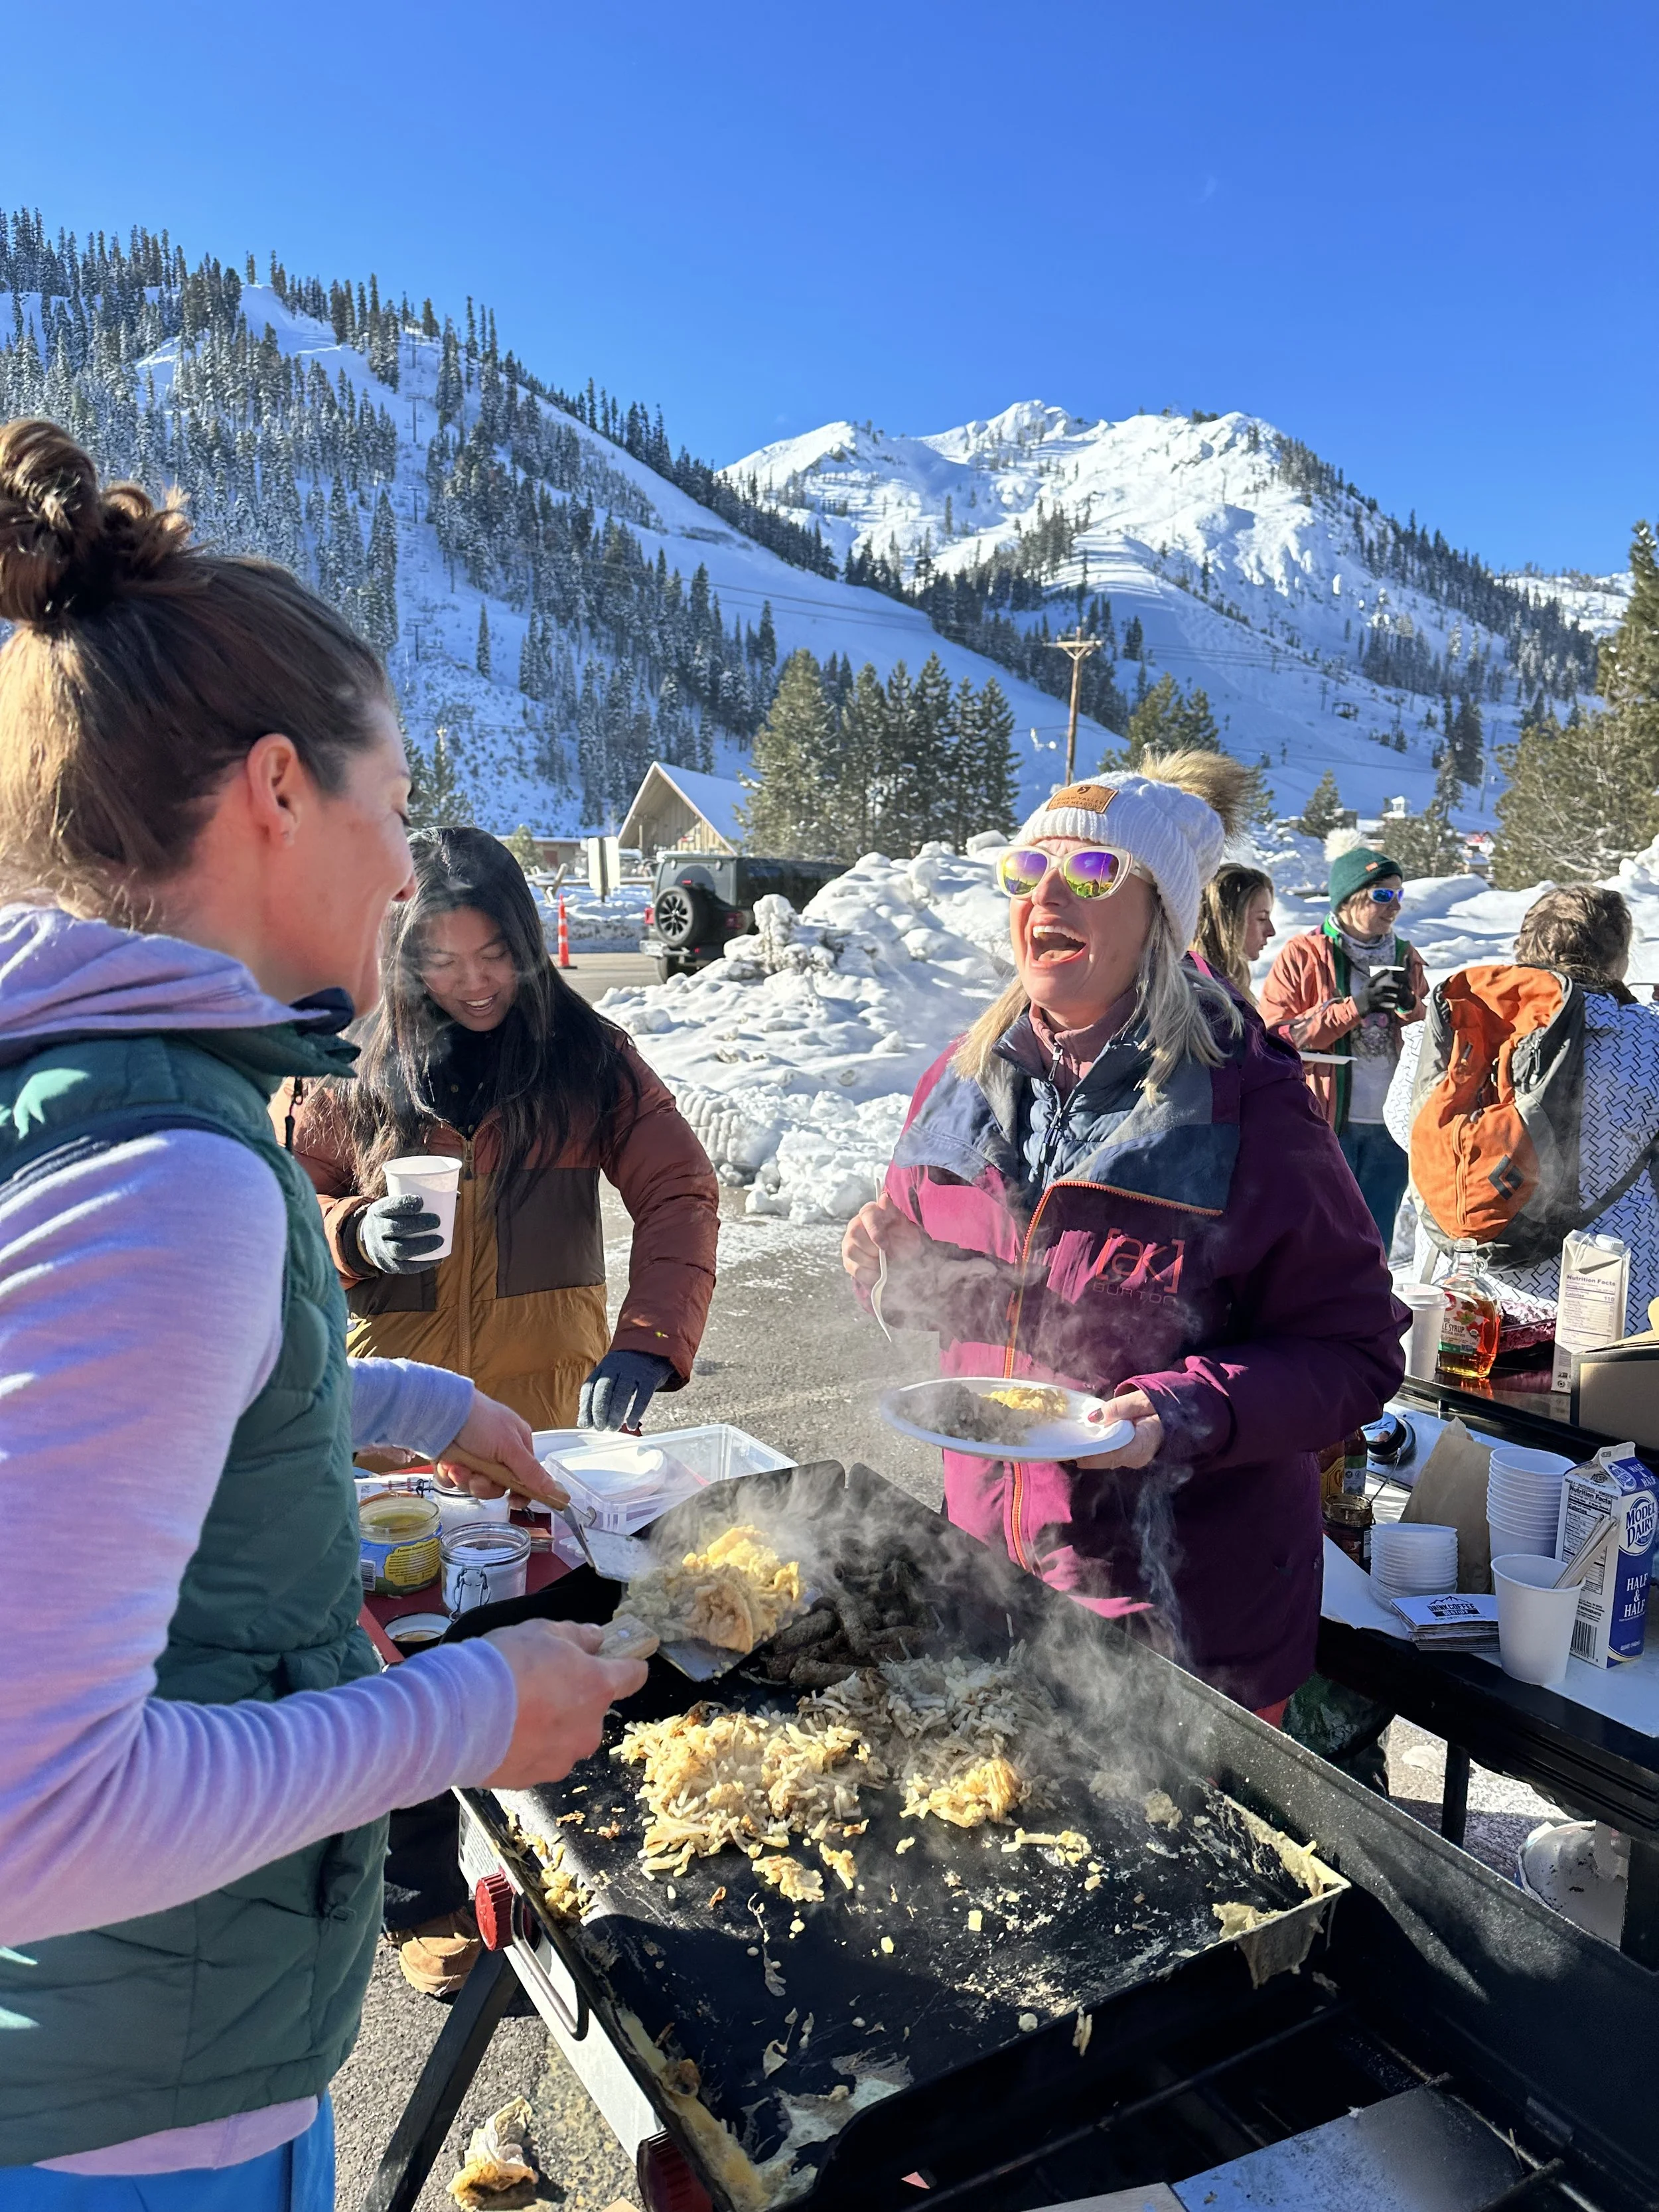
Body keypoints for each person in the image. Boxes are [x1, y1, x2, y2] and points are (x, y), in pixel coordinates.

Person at [0, 419, 649, 2205]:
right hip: (128, 2121)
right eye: (393, 801)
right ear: (278, 790)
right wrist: (472, 1707)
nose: (405, 877)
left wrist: (431, 1411)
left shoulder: (75, 1088)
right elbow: (34, 1811)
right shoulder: (166, 1170)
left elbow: (92, 1425)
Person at [840, 764, 1404, 1719]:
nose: (1047, 897)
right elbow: (979, 1298)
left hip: (1183, 1626)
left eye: (1093, 871)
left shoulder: (1246, 1103)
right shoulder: (960, 1080)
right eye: (1028, 871)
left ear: (1160, 917)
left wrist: (1178, 1413)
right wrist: (895, 1271)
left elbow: (1354, 1352)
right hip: (992, 1584)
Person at [289, 826, 719, 1436]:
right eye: (442, 962)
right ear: (404, 959)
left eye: (495, 954)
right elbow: (278, 1206)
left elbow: (679, 1191)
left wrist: (649, 1339)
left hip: (547, 1420)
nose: (475, 983)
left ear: (525, 941)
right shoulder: (350, 1065)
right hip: (395, 1419)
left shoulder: (586, 1058)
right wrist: (354, 1234)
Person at [1386, 884, 1659, 1322]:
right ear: (1617, 959)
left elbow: (1406, 1126)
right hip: (1604, 1303)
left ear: (1525, 947)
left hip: (1464, 1298)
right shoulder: (1647, 1039)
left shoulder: (1454, 1022)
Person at [1258, 845, 1427, 1246]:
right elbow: (1275, 1039)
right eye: (1382, 895)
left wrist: (1411, 1007)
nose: (1395, 906)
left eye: (1399, 895)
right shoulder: (1303, 954)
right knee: (1321, 1239)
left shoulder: (1406, 956)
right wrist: (1355, 1007)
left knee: (1376, 1241)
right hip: (1325, 1123)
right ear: (1349, 898)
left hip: (1391, 1126)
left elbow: (1430, 1041)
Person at [1191, 861, 1275, 1001]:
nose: (1271, 931)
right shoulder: (1198, 994)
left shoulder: (1228, 985)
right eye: (1262, 918)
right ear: (1229, 923)